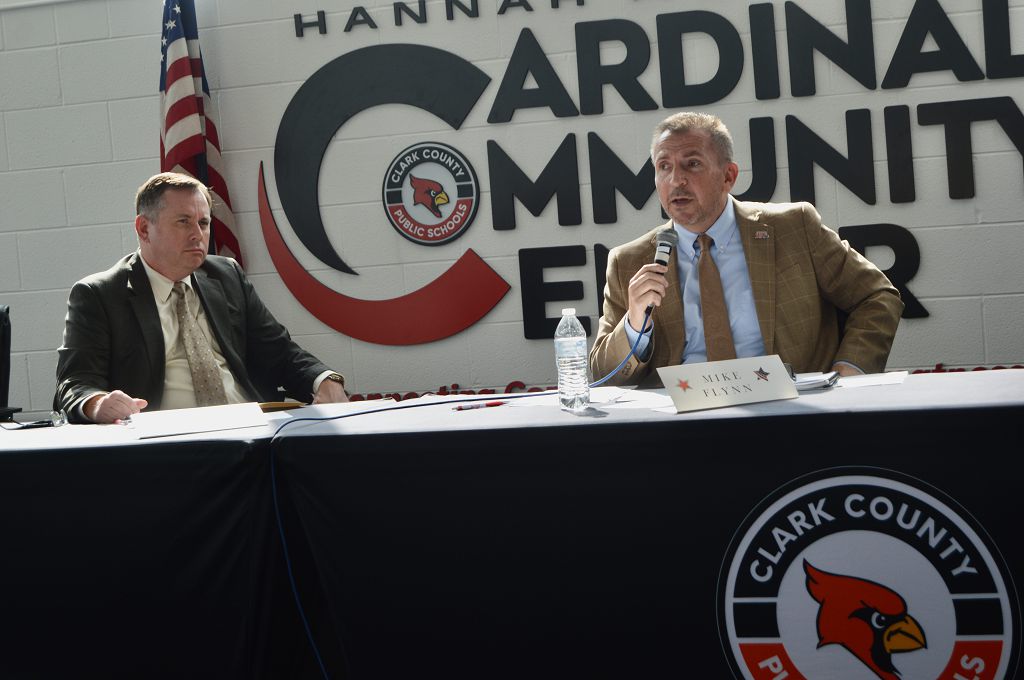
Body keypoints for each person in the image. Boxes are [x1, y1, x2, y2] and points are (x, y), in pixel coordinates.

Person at [589, 111, 904, 388]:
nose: (676, 180)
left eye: (692, 164)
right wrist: (633, 324)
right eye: (664, 167)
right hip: (683, 430)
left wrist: (849, 369)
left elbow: (876, 296)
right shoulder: (628, 262)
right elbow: (605, 375)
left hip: (790, 414)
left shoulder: (795, 227)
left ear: (728, 176)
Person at [55, 172, 348, 424]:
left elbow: (280, 352)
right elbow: (74, 384)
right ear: (144, 229)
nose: (198, 235)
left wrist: (323, 379)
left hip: (250, 431)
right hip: (166, 447)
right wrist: (96, 403)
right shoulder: (100, 295)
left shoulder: (226, 276)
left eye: (204, 223)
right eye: (183, 222)